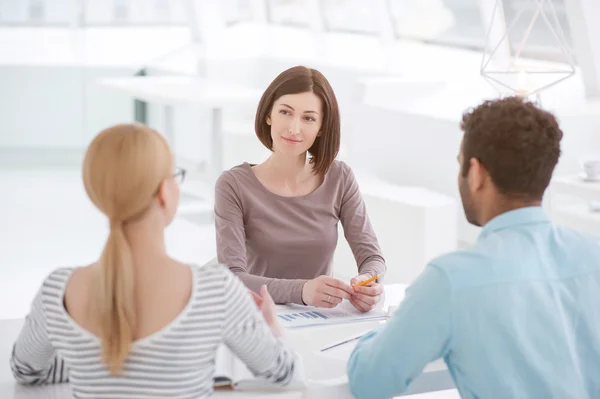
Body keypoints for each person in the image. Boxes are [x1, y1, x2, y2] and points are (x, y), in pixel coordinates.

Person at [10, 123, 297, 398]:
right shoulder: (215, 290)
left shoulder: (58, 291)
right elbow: (283, 372)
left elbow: (26, 370)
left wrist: (90, 361)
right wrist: (272, 325)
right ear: (163, 192)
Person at [347, 96, 600, 398]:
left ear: (477, 173)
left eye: (460, 165)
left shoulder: (450, 280)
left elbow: (370, 381)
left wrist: (396, 326)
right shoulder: (592, 256)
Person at [214, 65, 387, 310]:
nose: (294, 128)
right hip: (255, 320)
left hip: (318, 320)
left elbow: (372, 257)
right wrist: (303, 291)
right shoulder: (233, 185)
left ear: (321, 129)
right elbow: (231, 278)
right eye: (285, 112)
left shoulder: (340, 177)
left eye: (308, 118)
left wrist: (369, 282)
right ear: (268, 115)